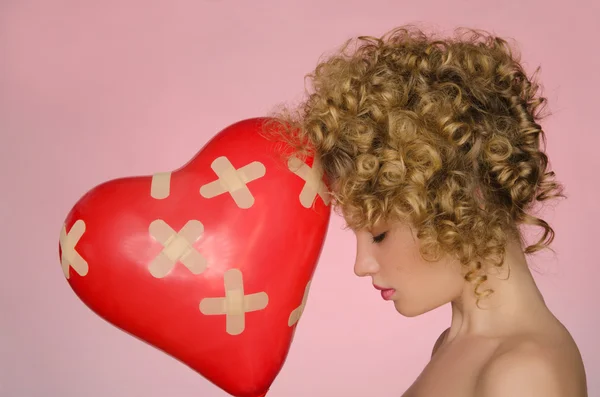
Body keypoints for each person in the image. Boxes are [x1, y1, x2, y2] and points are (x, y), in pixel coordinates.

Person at [266, 25, 588, 396]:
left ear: (464, 201)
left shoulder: (525, 375)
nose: (361, 265)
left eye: (379, 234)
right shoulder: (454, 345)